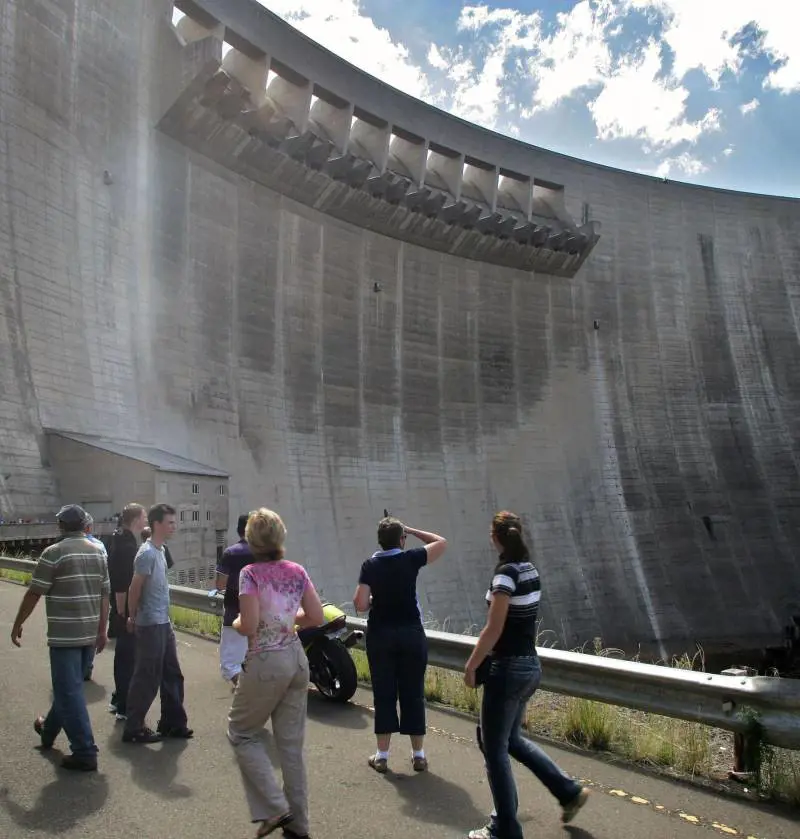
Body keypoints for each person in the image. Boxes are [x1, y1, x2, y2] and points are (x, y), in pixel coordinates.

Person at [463, 511, 589, 839]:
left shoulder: (505, 575)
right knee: (512, 741)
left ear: (496, 538)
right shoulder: (529, 569)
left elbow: (494, 627)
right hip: (530, 666)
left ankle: (504, 828)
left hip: (507, 669)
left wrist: (473, 664)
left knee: (493, 748)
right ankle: (568, 791)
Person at [228, 508, 324, 839]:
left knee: (241, 732)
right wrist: (286, 619)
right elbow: (316, 616)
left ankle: (273, 806)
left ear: (251, 539)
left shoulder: (250, 573)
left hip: (266, 661)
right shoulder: (297, 571)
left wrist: (239, 623)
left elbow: (250, 625)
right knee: (291, 748)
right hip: (296, 660)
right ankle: (298, 826)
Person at [10, 504, 110, 771]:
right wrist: (102, 631)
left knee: (69, 691)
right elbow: (105, 595)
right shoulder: (98, 552)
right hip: (89, 634)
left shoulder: (53, 553)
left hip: (65, 637)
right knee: (70, 690)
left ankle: (85, 751)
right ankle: (47, 731)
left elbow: (34, 592)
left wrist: (18, 623)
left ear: (61, 526)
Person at [352, 514, 447, 773]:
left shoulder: (369, 565)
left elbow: (360, 604)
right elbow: (440, 542)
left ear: (380, 541)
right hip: (411, 634)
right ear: (401, 539)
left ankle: (382, 755)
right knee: (412, 693)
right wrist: (411, 528)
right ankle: (418, 755)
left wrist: (375, 601)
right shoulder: (411, 558)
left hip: (381, 635)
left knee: (384, 693)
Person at [122, 503, 192, 744]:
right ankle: (134, 727)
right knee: (147, 676)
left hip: (163, 621)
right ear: (156, 524)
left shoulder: (160, 551)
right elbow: (134, 588)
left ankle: (173, 723)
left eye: (174, 522)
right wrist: (131, 617)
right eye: (170, 522)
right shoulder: (147, 553)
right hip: (150, 623)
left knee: (172, 674)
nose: (174, 526)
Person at [107, 502, 147, 720]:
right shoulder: (127, 546)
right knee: (128, 658)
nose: (146, 520)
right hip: (124, 610)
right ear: (135, 519)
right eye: (144, 517)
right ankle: (124, 704)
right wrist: (126, 614)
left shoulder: (120, 538)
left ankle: (118, 699)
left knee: (123, 656)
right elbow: (122, 583)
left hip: (119, 608)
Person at [215, 513, 253, 686]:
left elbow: (220, 585)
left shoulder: (231, 553)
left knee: (230, 664)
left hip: (235, 612)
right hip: (263, 614)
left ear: (239, 529)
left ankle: (245, 692)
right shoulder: (267, 553)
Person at [81, 514, 108, 682]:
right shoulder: (99, 546)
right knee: (92, 633)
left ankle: (76, 666)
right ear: (89, 527)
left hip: (76, 595)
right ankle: (87, 666)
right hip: (95, 595)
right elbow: (105, 574)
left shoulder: (62, 546)